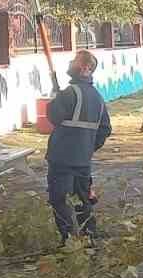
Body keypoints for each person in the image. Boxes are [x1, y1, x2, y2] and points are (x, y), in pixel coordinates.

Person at [45, 50, 112, 242]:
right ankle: (89, 235)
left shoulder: (69, 93)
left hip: (62, 157)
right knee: (83, 199)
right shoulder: (98, 97)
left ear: (84, 68)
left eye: (74, 61)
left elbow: (54, 117)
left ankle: (69, 240)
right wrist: (88, 147)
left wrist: (55, 98)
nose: (70, 63)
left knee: (60, 198)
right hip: (83, 159)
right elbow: (105, 129)